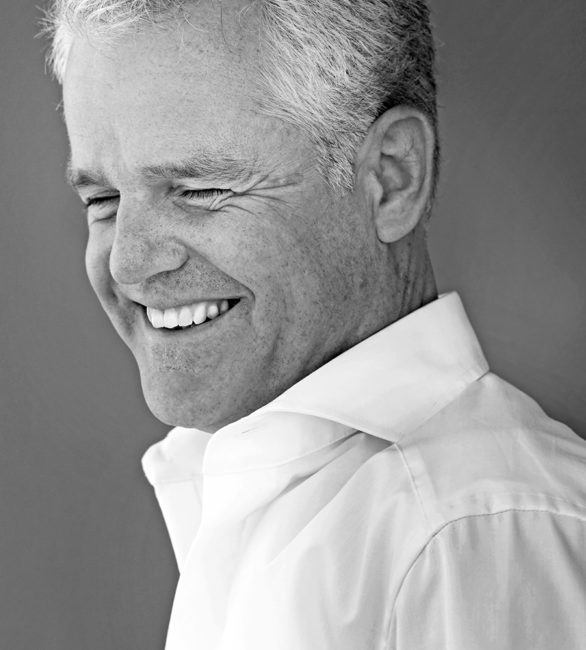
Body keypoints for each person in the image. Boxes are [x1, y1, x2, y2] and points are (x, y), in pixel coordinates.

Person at [44, 0, 586, 647]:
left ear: (391, 178)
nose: (129, 263)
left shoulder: (470, 537)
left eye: (199, 190)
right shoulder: (311, 508)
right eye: (102, 200)